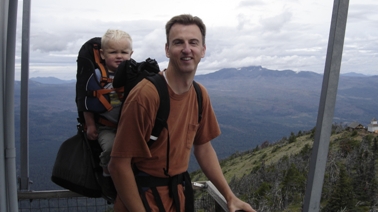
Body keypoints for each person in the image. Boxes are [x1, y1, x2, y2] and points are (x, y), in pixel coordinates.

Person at [108, 14, 255, 211]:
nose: (187, 49)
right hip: (141, 199)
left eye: (193, 42)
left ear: (203, 50)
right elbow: (118, 165)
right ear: (167, 50)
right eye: (178, 42)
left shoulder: (199, 94)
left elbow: (203, 147)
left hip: (179, 197)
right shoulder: (146, 96)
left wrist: (229, 196)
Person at [83, 29, 133, 198]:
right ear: (103, 54)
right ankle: (107, 177)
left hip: (128, 127)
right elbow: (86, 102)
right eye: (113, 52)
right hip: (107, 127)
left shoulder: (134, 74)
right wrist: (90, 125)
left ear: (131, 53)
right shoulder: (97, 75)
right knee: (111, 149)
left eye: (124, 52)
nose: (119, 56)